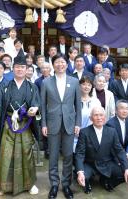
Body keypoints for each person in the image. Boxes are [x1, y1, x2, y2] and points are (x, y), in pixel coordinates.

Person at [0, 55, 40, 195]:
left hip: (25, 124)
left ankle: (29, 184)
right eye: (17, 67)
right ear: (12, 69)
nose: (19, 69)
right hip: (8, 124)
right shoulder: (5, 85)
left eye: (22, 67)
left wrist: (35, 109)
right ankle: (3, 185)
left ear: (27, 69)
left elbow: (37, 103)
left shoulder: (32, 87)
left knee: (27, 154)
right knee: (6, 154)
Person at [41, 54, 81, 199]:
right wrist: (44, 124)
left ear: (66, 64)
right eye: (57, 62)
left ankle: (66, 184)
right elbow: (43, 106)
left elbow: (78, 105)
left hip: (69, 123)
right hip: (52, 123)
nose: (60, 65)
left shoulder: (74, 81)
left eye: (62, 62)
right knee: (53, 156)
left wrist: (78, 123)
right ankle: (54, 184)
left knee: (68, 155)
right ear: (53, 65)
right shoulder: (46, 82)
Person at [75, 106, 128, 194]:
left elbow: (119, 150)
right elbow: (79, 153)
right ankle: (88, 183)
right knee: (82, 176)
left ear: (105, 118)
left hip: (106, 163)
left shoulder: (111, 131)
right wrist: (80, 172)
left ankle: (106, 181)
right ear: (91, 118)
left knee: (126, 171)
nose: (99, 118)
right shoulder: (84, 132)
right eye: (96, 115)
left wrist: (127, 169)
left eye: (101, 115)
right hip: (90, 163)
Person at [75, 76, 101, 152]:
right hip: (76, 134)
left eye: (89, 85)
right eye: (84, 84)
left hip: (91, 134)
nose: (86, 87)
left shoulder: (95, 101)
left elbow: (99, 118)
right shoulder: (73, 100)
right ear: (79, 85)